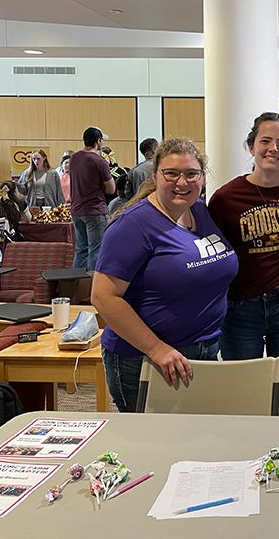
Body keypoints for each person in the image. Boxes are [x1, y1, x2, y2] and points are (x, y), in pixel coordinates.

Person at [92, 138, 238, 412]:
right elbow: (103, 297)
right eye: (171, 174)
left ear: (202, 178)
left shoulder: (199, 210)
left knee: (194, 441)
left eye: (191, 174)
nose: (181, 183)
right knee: (153, 446)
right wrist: (157, 349)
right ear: (155, 175)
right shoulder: (132, 225)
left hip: (202, 351)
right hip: (146, 359)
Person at [208, 112, 279, 415]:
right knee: (244, 390)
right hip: (241, 305)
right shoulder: (225, 198)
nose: (273, 149)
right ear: (251, 146)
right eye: (265, 140)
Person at [69, 127, 115, 271]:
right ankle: (91, 286)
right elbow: (111, 189)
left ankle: (76, 284)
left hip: (76, 209)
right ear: (98, 141)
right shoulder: (99, 161)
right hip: (94, 210)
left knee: (81, 249)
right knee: (96, 250)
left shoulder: (74, 158)